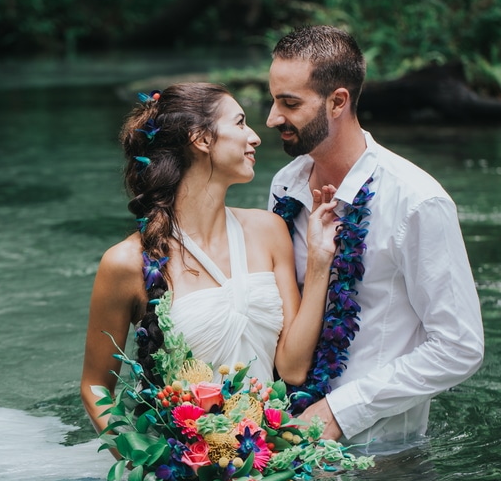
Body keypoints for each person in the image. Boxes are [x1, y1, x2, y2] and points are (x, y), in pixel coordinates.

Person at [266, 25, 485, 453]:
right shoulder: (284, 185)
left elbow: (460, 347)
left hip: (379, 452)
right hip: (283, 435)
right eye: (274, 99)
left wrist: (340, 410)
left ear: (338, 102)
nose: (272, 118)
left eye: (289, 103)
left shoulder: (418, 201)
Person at [80, 83, 339, 436]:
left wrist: (321, 261)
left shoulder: (269, 230)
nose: (255, 137)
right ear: (201, 139)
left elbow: (292, 370)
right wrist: (143, 466)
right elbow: (96, 388)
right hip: (178, 468)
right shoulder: (126, 262)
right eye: (240, 123)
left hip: (263, 457)